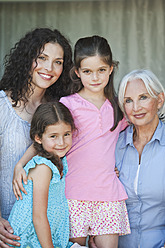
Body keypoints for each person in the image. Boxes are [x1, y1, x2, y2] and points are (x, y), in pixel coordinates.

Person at [13, 35, 130, 248]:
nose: (95, 77)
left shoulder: (117, 108)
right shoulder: (68, 104)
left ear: (111, 69)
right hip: (73, 195)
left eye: (101, 70)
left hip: (109, 196)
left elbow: (134, 136)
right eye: (87, 71)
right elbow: (43, 138)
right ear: (77, 72)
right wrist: (20, 164)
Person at [0, 27, 72, 247]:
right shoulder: (2, 106)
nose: (49, 68)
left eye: (58, 62)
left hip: (44, 234)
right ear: (27, 58)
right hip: (8, 230)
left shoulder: (58, 110)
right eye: (42, 58)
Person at [8, 101, 77, 247]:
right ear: (38, 137)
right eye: (53, 136)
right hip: (30, 239)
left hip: (44, 237)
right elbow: (38, 217)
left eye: (66, 134)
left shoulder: (59, 159)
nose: (61, 142)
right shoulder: (43, 168)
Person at [116, 69, 165, 248]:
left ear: (159, 100)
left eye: (143, 97)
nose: (136, 108)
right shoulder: (114, 145)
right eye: (128, 101)